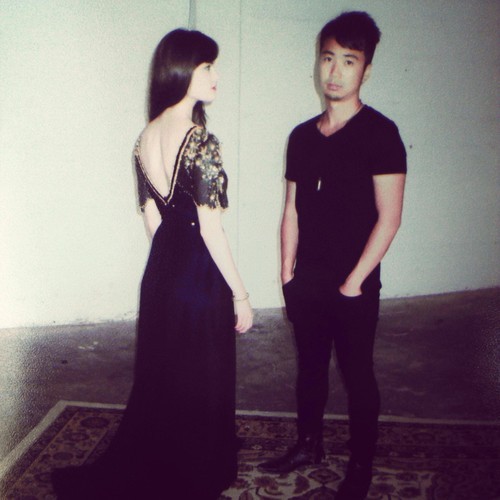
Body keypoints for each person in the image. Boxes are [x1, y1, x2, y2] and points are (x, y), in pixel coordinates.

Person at [51, 29, 252, 499]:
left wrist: (169, 266)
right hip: (200, 273)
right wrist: (240, 294)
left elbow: (151, 218)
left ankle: (166, 456)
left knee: (167, 373)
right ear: (181, 71)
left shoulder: (144, 137)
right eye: (207, 67)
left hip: (162, 271)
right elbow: (211, 229)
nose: (216, 76)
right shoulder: (200, 140)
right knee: (202, 373)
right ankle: (197, 468)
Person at [258, 11, 406, 500]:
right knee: (310, 368)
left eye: (349, 60)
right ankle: (308, 446)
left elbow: (389, 218)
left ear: (367, 70)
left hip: (355, 283)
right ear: (317, 63)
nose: (335, 71)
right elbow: (292, 210)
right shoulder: (301, 137)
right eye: (327, 58)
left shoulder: (381, 133)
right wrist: (287, 274)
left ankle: (360, 466)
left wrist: (354, 282)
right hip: (308, 280)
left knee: (358, 373)